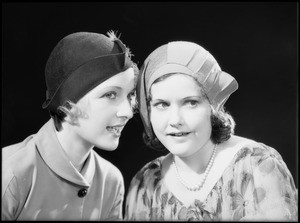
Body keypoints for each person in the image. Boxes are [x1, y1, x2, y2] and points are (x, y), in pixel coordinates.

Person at [124, 41, 298, 221]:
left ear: (213, 106)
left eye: (191, 102)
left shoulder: (257, 166)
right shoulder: (145, 183)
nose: (175, 120)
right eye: (162, 105)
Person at [2, 31, 138, 220]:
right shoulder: (9, 174)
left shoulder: (111, 181)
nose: (128, 112)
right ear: (68, 103)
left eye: (130, 95)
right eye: (110, 95)